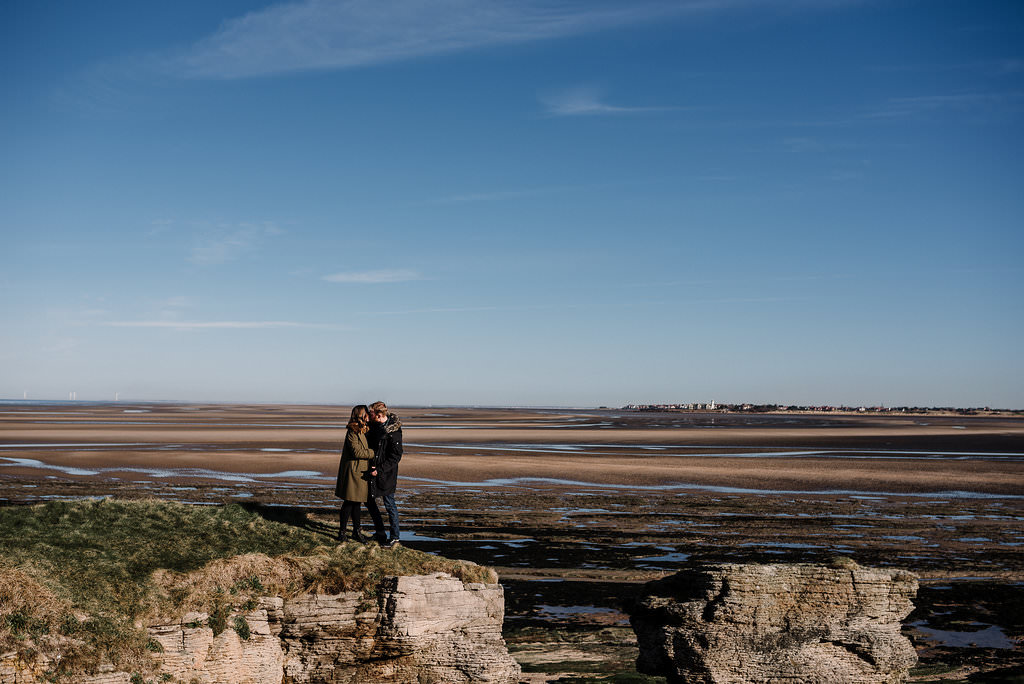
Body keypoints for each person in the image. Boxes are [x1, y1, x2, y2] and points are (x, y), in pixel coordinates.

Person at [335, 405, 385, 542]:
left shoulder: (364, 430)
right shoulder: (352, 431)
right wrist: (373, 453)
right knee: (349, 502)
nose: (369, 416)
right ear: (362, 415)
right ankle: (342, 532)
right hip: (353, 471)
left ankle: (356, 531)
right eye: (367, 414)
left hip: (361, 471)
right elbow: (357, 452)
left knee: (356, 503)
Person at [366, 401, 403, 548]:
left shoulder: (394, 432)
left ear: (379, 415)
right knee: (369, 500)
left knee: (389, 505)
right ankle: (380, 532)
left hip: (386, 475)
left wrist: (379, 469)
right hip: (373, 471)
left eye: (371, 413)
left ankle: (395, 538)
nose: (369, 416)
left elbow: (396, 456)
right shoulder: (374, 427)